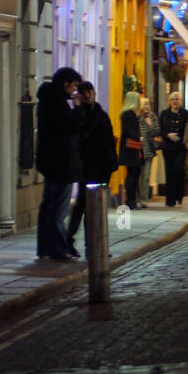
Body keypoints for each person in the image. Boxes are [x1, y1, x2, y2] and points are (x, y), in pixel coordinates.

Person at [36, 67, 83, 261]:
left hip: (49, 161)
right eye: (73, 86)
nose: (74, 91)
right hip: (61, 163)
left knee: (48, 207)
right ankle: (58, 249)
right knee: (59, 210)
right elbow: (70, 127)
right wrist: (78, 108)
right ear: (65, 83)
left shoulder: (46, 101)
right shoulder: (59, 104)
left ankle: (44, 249)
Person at [67, 81, 118, 254]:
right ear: (79, 95)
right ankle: (70, 239)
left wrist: (112, 162)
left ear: (94, 93)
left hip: (102, 167)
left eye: (90, 91)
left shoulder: (101, 114)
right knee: (82, 205)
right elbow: (77, 137)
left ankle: (95, 245)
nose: (88, 94)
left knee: (97, 208)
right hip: (86, 167)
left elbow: (109, 140)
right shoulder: (78, 114)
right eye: (84, 92)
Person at [159, 90, 188, 207]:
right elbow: (160, 130)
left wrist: (186, 140)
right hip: (168, 147)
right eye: (173, 99)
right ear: (169, 101)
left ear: (180, 101)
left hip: (181, 147)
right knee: (169, 172)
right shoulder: (164, 114)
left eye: (177, 99)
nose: (175, 101)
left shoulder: (185, 114)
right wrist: (168, 135)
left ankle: (179, 196)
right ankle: (170, 200)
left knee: (179, 171)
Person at [118, 92, 144, 210]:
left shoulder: (129, 114)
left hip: (131, 148)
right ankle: (130, 200)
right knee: (133, 174)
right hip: (130, 148)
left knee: (133, 173)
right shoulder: (129, 114)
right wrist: (139, 137)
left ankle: (132, 200)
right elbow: (128, 131)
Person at [138, 96, 159, 205]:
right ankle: (137, 196)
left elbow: (157, 131)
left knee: (146, 176)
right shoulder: (137, 116)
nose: (146, 107)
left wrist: (150, 125)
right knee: (138, 175)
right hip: (138, 149)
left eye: (148, 104)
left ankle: (143, 200)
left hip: (148, 150)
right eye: (144, 104)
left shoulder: (152, 116)